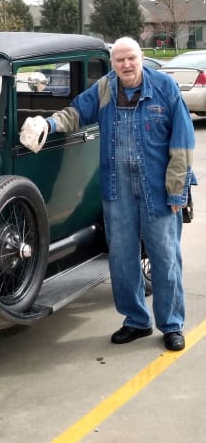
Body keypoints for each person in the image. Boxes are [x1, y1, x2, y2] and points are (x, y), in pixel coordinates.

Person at [21, 36, 196, 351]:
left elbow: (182, 141)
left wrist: (177, 191)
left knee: (165, 257)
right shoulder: (104, 89)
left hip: (158, 190)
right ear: (113, 63)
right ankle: (136, 321)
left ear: (140, 57)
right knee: (122, 257)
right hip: (118, 190)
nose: (126, 65)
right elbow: (75, 113)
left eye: (131, 58)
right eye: (119, 60)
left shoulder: (164, 89)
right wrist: (46, 124)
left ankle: (171, 325)